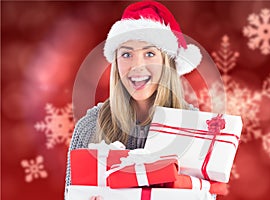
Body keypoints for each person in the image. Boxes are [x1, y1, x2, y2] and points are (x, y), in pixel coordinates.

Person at [65, 1, 216, 199]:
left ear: (167, 63)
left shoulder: (195, 130)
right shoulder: (89, 128)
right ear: (116, 61)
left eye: (150, 54)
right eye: (127, 54)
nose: (137, 66)